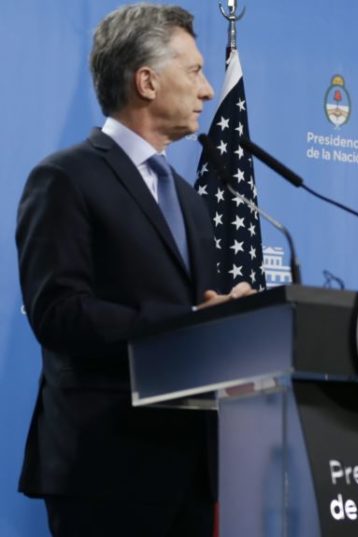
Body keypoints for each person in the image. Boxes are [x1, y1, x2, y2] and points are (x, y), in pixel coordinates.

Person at [15, 4, 254, 536]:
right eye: (195, 71)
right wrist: (187, 321)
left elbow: (199, 315)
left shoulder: (191, 200)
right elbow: (58, 314)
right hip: (105, 470)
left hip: (192, 472)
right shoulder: (64, 178)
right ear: (147, 82)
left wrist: (231, 320)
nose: (207, 90)